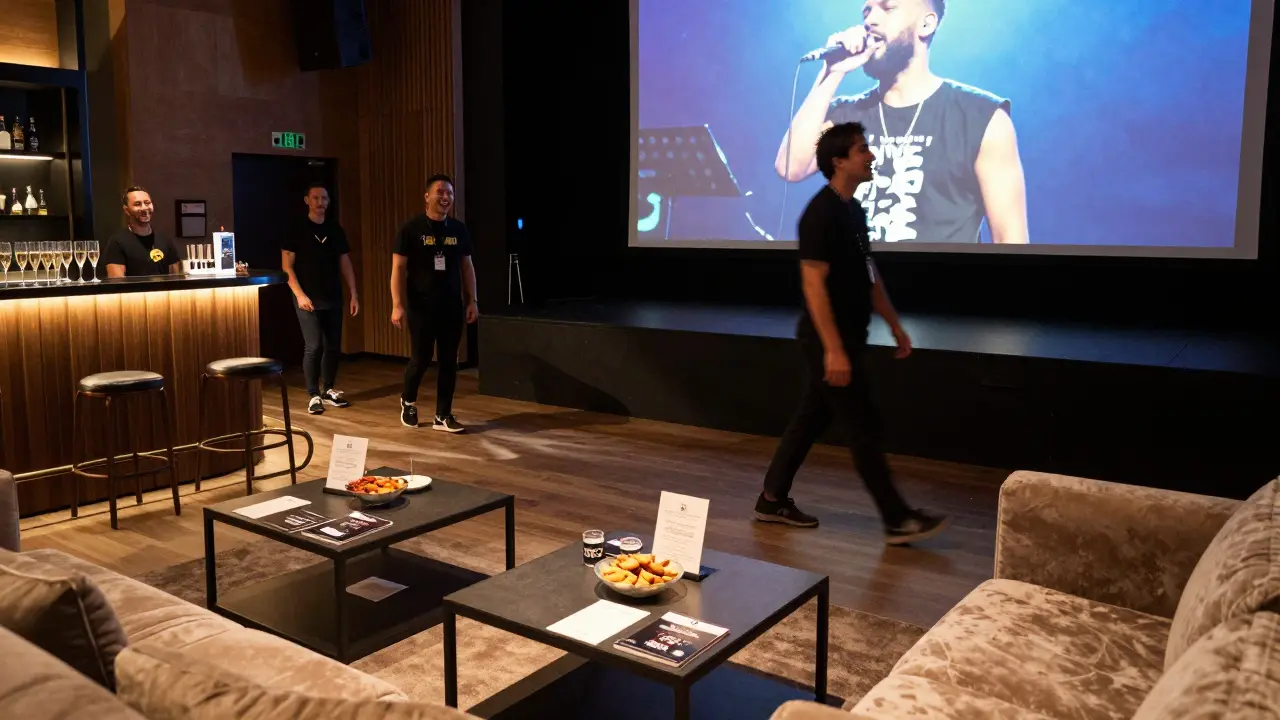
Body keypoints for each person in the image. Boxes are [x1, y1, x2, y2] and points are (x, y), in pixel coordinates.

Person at [757, 122, 947, 545]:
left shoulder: (853, 211)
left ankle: (771, 499)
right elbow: (813, 284)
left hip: (849, 336)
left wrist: (894, 323)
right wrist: (833, 350)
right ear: (839, 161)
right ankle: (897, 519)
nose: (872, 157)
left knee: (811, 418)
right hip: (828, 340)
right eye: (863, 150)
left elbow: (867, 274)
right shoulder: (820, 213)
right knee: (863, 426)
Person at [777, 0, 1028, 245]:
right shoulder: (845, 114)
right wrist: (832, 72)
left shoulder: (981, 116)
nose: (870, 20)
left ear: (926, 25)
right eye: (866, 12)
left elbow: (1010, 239)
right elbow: (791, 168)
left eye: (887, 8)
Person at [390, 174, 479, 432]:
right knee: (421, 358)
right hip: (421, 306)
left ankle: (443, 414)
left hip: (451, 306)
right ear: (427, 196)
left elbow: (467, 266)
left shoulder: (458, 229)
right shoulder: (411, 228)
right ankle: (408, 401)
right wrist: (397, 304)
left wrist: (472, 299)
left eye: (449, 193)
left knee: (449, 360)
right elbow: (397, 268)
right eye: (440, 192)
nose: (445, 197)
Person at [281, 181, 360, 415]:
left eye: (324, 198)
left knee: (333, 346)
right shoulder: (295, 229)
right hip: (307, 297)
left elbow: (345, 262)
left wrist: (353, 293)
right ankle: (313, 393)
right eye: (315, 198)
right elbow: (287, 267)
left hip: (333, 296)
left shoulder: (335, 230)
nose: (320, 203)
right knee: (314, 345)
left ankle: (329, 389)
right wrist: (299, 294)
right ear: (307, 201)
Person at [103, 186, 183, 277]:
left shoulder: (164, 239)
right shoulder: (117, 242)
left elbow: (176, 278)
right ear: (126, 210)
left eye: (147, 203)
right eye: (137, 204)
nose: (144, 208)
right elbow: (117, 283)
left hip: (163, 291)